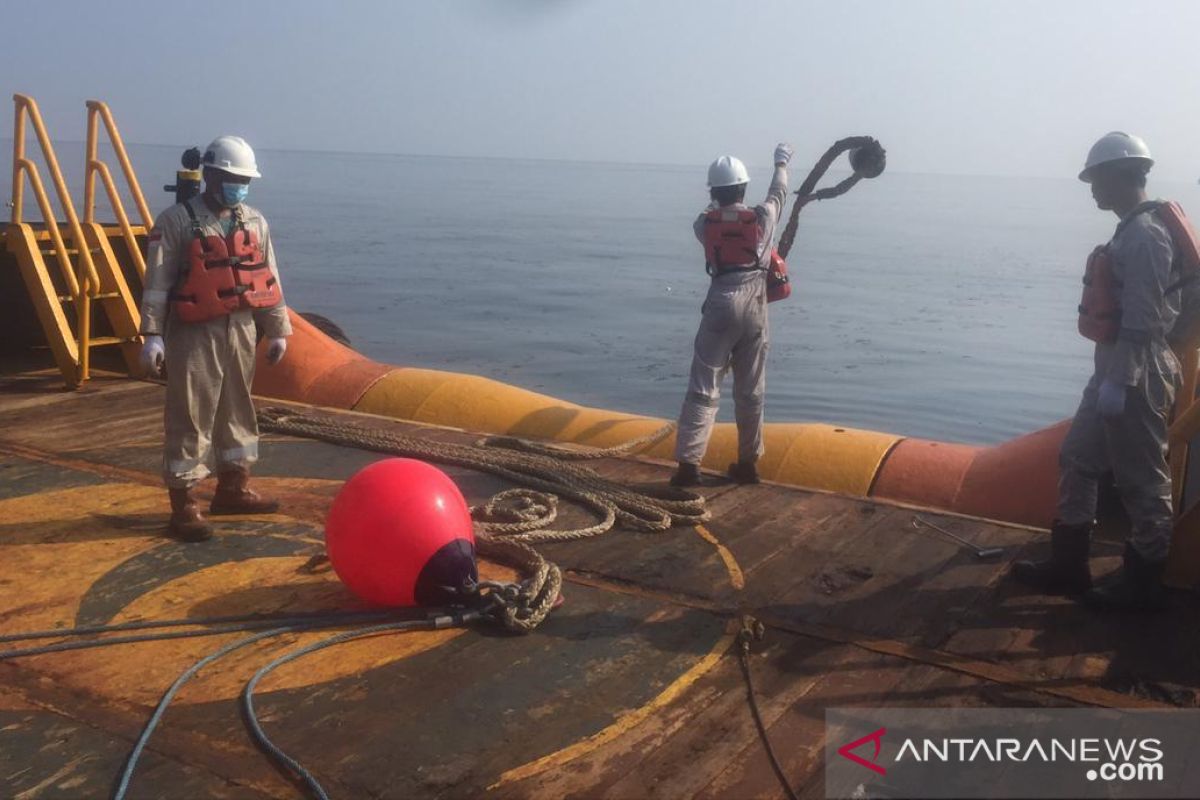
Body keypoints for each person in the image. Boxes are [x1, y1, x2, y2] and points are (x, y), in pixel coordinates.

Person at [1012, 131, 1197, 611]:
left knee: (1141, 478)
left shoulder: (1146, 234)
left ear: (1122, 176)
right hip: (1114, 368)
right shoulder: (1132, 227)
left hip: (1137, 370)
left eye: (1097, 180)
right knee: (1078, 457)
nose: (1092, 190)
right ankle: (1069, 565)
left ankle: (1142, 582)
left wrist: (1122, 380)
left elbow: (1143, 317)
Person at [138, 135, 292, 542]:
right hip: (193, 333)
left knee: (238, 408)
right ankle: (184, 504)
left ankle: (234, 488)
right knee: (190, 413)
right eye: (231, 177)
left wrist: (277, 329)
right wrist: (152, 333)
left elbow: (268, 279)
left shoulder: (255, 223)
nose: (238, 185)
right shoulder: (174, 222)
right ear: (210, 175)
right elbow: (157, 283)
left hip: (241, 330)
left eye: (244, 179)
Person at [671, 143, 793, 487]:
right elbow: (778, 191)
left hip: (720, 303)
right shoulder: (764, 219)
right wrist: (780, 162)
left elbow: (711, 215)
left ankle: (688, 468)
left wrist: (718, 201)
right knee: (751, 389)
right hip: (755, 306)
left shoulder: (702, 224)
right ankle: (748, 464)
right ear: (743, 188)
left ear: (714, 191)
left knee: (703, 386)